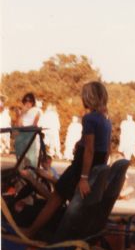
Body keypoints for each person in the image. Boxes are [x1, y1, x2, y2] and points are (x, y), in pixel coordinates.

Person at [24, 81, 112, 239]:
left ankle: (31, 231)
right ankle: (45, 230)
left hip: (80, 168)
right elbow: (105, 150)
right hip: (93, 166)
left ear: (88, 97)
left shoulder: (89, 118)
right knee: (57, 196)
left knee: (55, 198)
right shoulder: (106, 120)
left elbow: (90, 150)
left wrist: (84, 177)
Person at [14, 92, 41, 167]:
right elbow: (18, 125)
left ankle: (32, 175)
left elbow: (34, 125)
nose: (28, 103)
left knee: (31, 160)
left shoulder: (36, 111)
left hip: (30, 136)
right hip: (21, 137)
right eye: (26, 100)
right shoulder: (20, 111)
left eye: (30, 101)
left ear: (33, 102)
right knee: (20, 159)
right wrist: (21, 114)